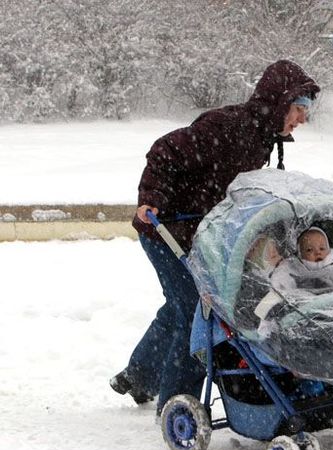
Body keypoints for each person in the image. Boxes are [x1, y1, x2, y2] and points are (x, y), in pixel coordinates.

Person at [110, 60, 320, 416]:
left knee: (181, 305)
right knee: (198, 310)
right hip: (166, 227)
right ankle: (178, 403)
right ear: (281, 101)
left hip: (200, 233)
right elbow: (165, 150)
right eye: (299, 109)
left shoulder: (262, 136)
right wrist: (152, 199)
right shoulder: (229, 126)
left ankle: (140, 375)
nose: (302, 119)